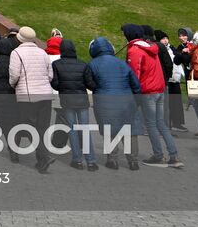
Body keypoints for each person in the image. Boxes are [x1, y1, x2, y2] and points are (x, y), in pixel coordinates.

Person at [124, 24, 181, 168]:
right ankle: (173, 155)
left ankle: (158, 155)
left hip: (148, 90)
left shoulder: (135, 50)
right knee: (160, 122)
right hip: (158, 88)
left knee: (151, 124)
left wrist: (133, 94)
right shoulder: (151, 47)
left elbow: (134, 74)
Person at [86, 37, 140, 170]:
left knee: (110, 130)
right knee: (129, 131)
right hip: (126, 100)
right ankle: (133, 161)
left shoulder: (93, 64)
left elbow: (89, 82)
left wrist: (97, 88)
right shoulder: (121, 63)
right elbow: (136, 84)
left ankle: (113, 160)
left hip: (105, 99)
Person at [8, 27, 55, 173]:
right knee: (42, 128)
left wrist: (14, 85)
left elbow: (14, 75)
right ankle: (42, 160)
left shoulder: (16, 53)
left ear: (19, 38)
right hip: (45, 94)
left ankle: (44, 157)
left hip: (27, 95)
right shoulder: (42, 52)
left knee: (28, 127)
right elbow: (50, 75)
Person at [50, 38, 98, 170]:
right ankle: (91, 161)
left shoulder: (57, 64)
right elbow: (90, 84)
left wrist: (63, 87)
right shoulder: (83, 64)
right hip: (81, 100)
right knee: (84, 130)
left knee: (72, 130)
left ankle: (77, 160)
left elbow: (54, 83)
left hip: (67, 99)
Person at [159, 30, 186, 131]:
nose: (165, 40)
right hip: (167, 79)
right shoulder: (160, 49)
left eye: (166, 38)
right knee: (168, 103)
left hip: (175, 78)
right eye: (163, 39)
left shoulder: (172, 48)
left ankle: (177, 122)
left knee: (177, 101)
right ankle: (168, 123)